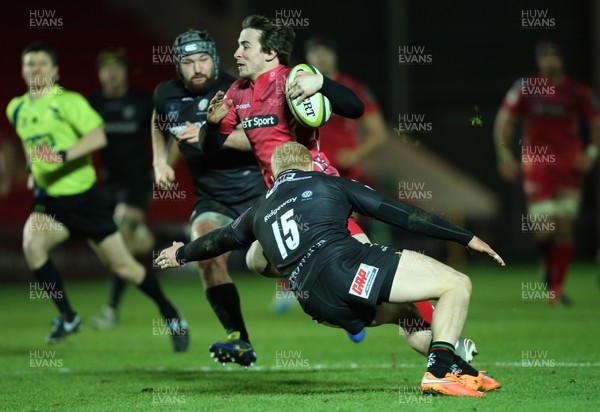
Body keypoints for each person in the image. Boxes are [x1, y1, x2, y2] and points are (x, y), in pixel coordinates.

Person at [156, 142, 504, 397]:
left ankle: (453, 365)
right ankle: (440, 370)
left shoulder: (258, 211)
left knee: (407, 316)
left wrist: (180, 254)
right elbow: (401, 213)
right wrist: (464, 236)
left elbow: (219, 241)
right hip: (349, 268)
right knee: (456, 284)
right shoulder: (327, 183)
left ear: (274, 174)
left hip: (320, 304)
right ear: (310, 165)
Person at [193, 14, 452, 349]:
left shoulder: (294, 81)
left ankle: (446, 343)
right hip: (284, 201)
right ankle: (363, 306)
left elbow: (354, 107)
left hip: (320, 196)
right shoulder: (238, 92)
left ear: (270, 53)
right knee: (256, 259)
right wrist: (212, 126)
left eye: (245, 46)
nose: (237, 53)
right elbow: (209, 148)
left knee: (375, 268)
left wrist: (323, 84)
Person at [6, 41, 188, 351]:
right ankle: (67, 316)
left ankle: (170, 314)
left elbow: (98, 136)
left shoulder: (71, 102)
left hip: (86, 201)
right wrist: (33, 169)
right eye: (29, 64)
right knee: (32, 244)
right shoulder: (17, 108)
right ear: (21, 70)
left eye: (42, 63)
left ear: (55, 70)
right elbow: (27, 142)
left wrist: (62, 156)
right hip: (51, 203)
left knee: (125, 267)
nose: (35, 69)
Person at [151, 29, 266, 367]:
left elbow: (258, 138)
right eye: (188, 62)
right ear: (178, 65)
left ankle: (345, 309)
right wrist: (160, 160)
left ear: (214, 60)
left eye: (203, 59)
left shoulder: (239, 89)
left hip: (258, 193)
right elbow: (158, 121)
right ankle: (239, 340)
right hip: (212, 199)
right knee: (205, 254)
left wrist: (208, 133)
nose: (197, 68)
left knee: (276, 264)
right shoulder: (166, 94)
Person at [494, 40, 600, 305]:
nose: (549, 62)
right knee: (543, 230)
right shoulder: (526, 87)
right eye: (544, 57)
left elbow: (596, 121)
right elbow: (504, 120)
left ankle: (556, 290)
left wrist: (591, 153)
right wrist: (504, 154)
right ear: (538, 60)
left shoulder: (577, 91)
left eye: (553, 57)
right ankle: (547, 262)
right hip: (537, 166)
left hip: (568, 166)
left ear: (561, 60)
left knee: (564, 226)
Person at [87, 49, 155, 329]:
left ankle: (111, 310)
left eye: (117, 67)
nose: (112, 73)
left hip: (137, 183)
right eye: (106, 68)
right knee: (112, 243)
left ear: (125, 72)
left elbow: (166, 133)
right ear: (100, 73)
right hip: (108, 184)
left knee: (121, 236)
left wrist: (162, 164)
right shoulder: (93, 104)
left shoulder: (142, 102)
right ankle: (165, 239)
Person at [304, 35, 388, 182]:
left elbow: (379, 133)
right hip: (310, 171)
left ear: (334, 56)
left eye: (326, 52)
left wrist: (356, 154)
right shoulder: (298, 87)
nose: (321, 57)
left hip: (344, 173)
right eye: (316, 53)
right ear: (308, 57)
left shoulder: (352, 88)